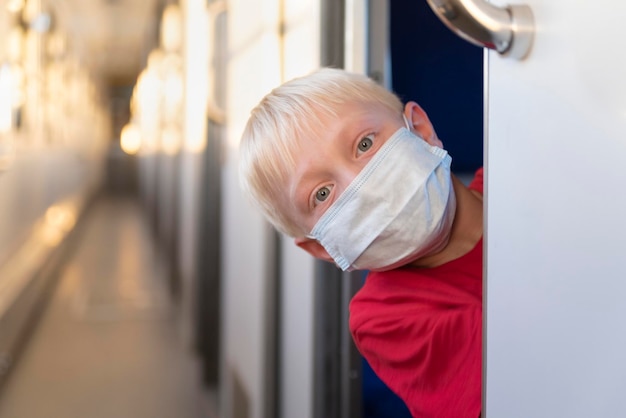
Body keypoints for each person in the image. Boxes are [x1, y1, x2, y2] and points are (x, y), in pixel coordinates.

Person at [239, 67, 483, 418]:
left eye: (365, 144)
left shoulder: (521, 178)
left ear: (421, 130)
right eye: (322, 194)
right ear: (323, 249)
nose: (362, 186)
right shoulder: (385, 319)